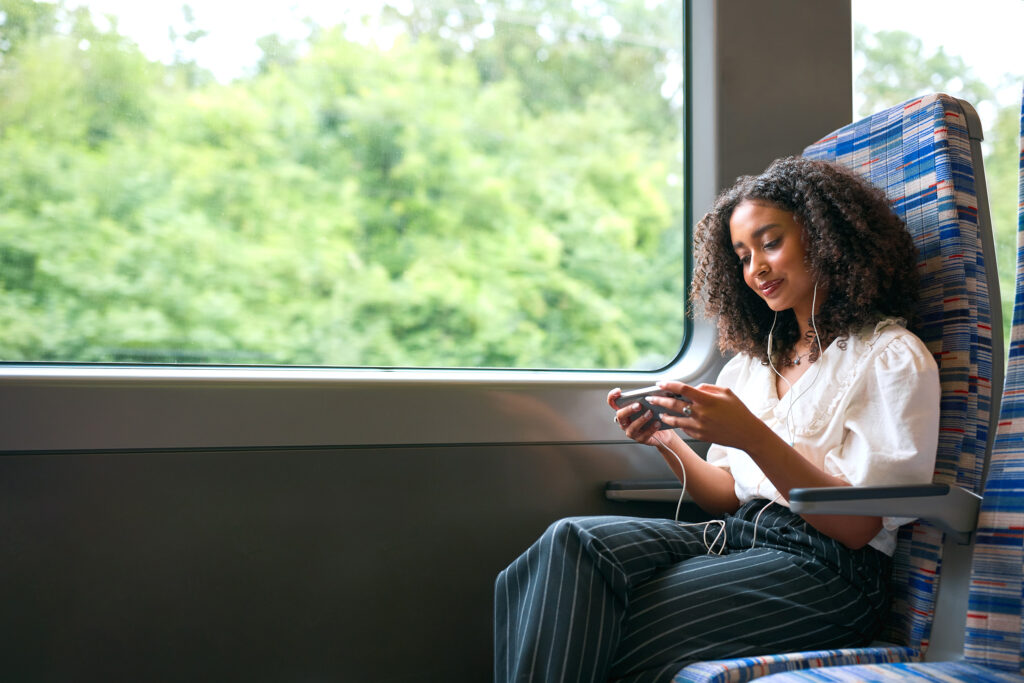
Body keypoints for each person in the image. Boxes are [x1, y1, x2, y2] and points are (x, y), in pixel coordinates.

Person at [493, 157, 940, 683]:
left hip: (830, 571)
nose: (757, 269)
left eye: (770, 243)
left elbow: (857, 527)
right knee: (567, 548)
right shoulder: (750, 365)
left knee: (611, 625)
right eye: (743, 255)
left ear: (826, 239)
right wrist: (666, 440)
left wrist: (749, 434)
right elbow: (727, 495)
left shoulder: (888, 356)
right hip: (740, 535)